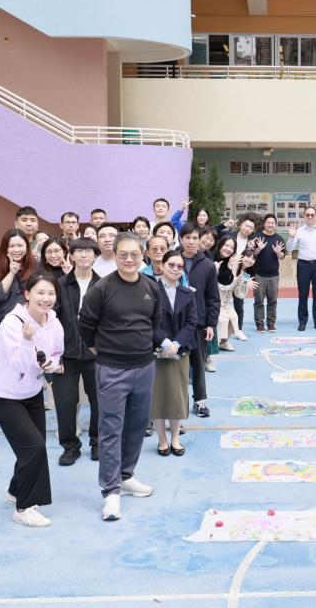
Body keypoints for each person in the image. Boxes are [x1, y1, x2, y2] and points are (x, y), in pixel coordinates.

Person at [79, 234, 170, 522]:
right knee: (111, 429)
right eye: (123, 255)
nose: (129, 259)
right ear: (114, 255)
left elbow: (154, 322)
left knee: (137, 426)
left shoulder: (151, 286)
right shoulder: (101, 289)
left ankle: (126, 476)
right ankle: (111, 491)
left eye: (134, 254)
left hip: (144, 367)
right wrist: (101, 350)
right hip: (112, 369)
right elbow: (85, 326)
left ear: (143, 255)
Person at [0, 273, 62, 528]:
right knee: (33, 447)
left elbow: (56, 353)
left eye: (51, 293)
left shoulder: (54, 322)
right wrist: (28, 340)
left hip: (31, 392)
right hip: (4, 395)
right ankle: (24, 508)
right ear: (27, 294)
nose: (46, 298)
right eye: (40, 292)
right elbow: (18, 363)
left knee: (33, 446)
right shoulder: (12, 323)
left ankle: (15, 490)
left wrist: (52, 363)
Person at [53, 237, 101, 466]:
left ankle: (98, 442)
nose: (83, 255)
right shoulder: (59, 285)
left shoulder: (103, 285)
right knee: (65, 403)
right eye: (78, 251)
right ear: (71, 255)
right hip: (65, 355)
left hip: (96, 355)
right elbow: (50, 320)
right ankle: (70, 447)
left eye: (88, 251)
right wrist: (54, 354)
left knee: (100, 401)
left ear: (95, 255)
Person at [151, 249, 196, 456]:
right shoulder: (151, 291)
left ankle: (175, 438)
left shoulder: (188, 293)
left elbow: (191, 322)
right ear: (162, 266)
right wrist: (165, 342)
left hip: (180, 351)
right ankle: (162, 440)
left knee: (177, 396)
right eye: (171, 264)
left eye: (180, 266)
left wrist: (176, 343)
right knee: (158, 397)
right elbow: (148, 321)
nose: (175, 269)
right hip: (157, 352)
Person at [179, 223, 219, 416]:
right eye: (187, 238)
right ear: (181, 239)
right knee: (176, 367)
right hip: (175, 323)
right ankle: (177, 404)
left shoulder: (207, 265)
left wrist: (211, 324)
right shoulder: (172, 261)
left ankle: (200, 401)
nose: (191, 242)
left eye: (195, 238)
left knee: (198, 365)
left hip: (198, 323)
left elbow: (213, 297)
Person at [0, 229, 34, 328]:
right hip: (5, 322)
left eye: (20, 245)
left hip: (32, 321)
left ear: (27, 246)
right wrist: (11, 273)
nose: (16, 250)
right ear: (4, 248)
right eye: (11, 246)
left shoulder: (36, 265)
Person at [214, 236, 255, 351]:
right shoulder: (232, 264)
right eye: (248, 257)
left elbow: (239, 295)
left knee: (234, 318)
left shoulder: (246, 275)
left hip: (226, 302)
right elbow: (225, 286)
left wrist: (245, 284)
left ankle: (224, 341)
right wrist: (236, 279)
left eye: (253, 259)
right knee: (223, 319)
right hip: (218, 299)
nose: (249, 260)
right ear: (241, 256)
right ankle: (216, 342)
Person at [250, 215, 286, 332]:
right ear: (264, 224)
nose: (270, 224)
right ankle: (259, 323)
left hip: (274, 275)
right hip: (259, 275)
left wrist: (278, 253)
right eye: (268, 222)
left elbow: (282, 256)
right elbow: (251, 254)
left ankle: (271, 323)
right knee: (258, 301)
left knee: (272, 301)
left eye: (272, 223)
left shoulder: (279, 238)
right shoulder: (257, 237)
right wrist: (259, 249)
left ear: (275, 225)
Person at [227, 214, 260, 337]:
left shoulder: (253, 242)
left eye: (250, 227)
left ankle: (238, 329)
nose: (248, 229)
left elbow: (252, 260)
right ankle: (222, 328)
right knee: (223, 301)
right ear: (241, 225)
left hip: (244, 273)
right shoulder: (230, 236)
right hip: (228, 271)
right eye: (246, 225)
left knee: (239, 302)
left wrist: (246, 281)